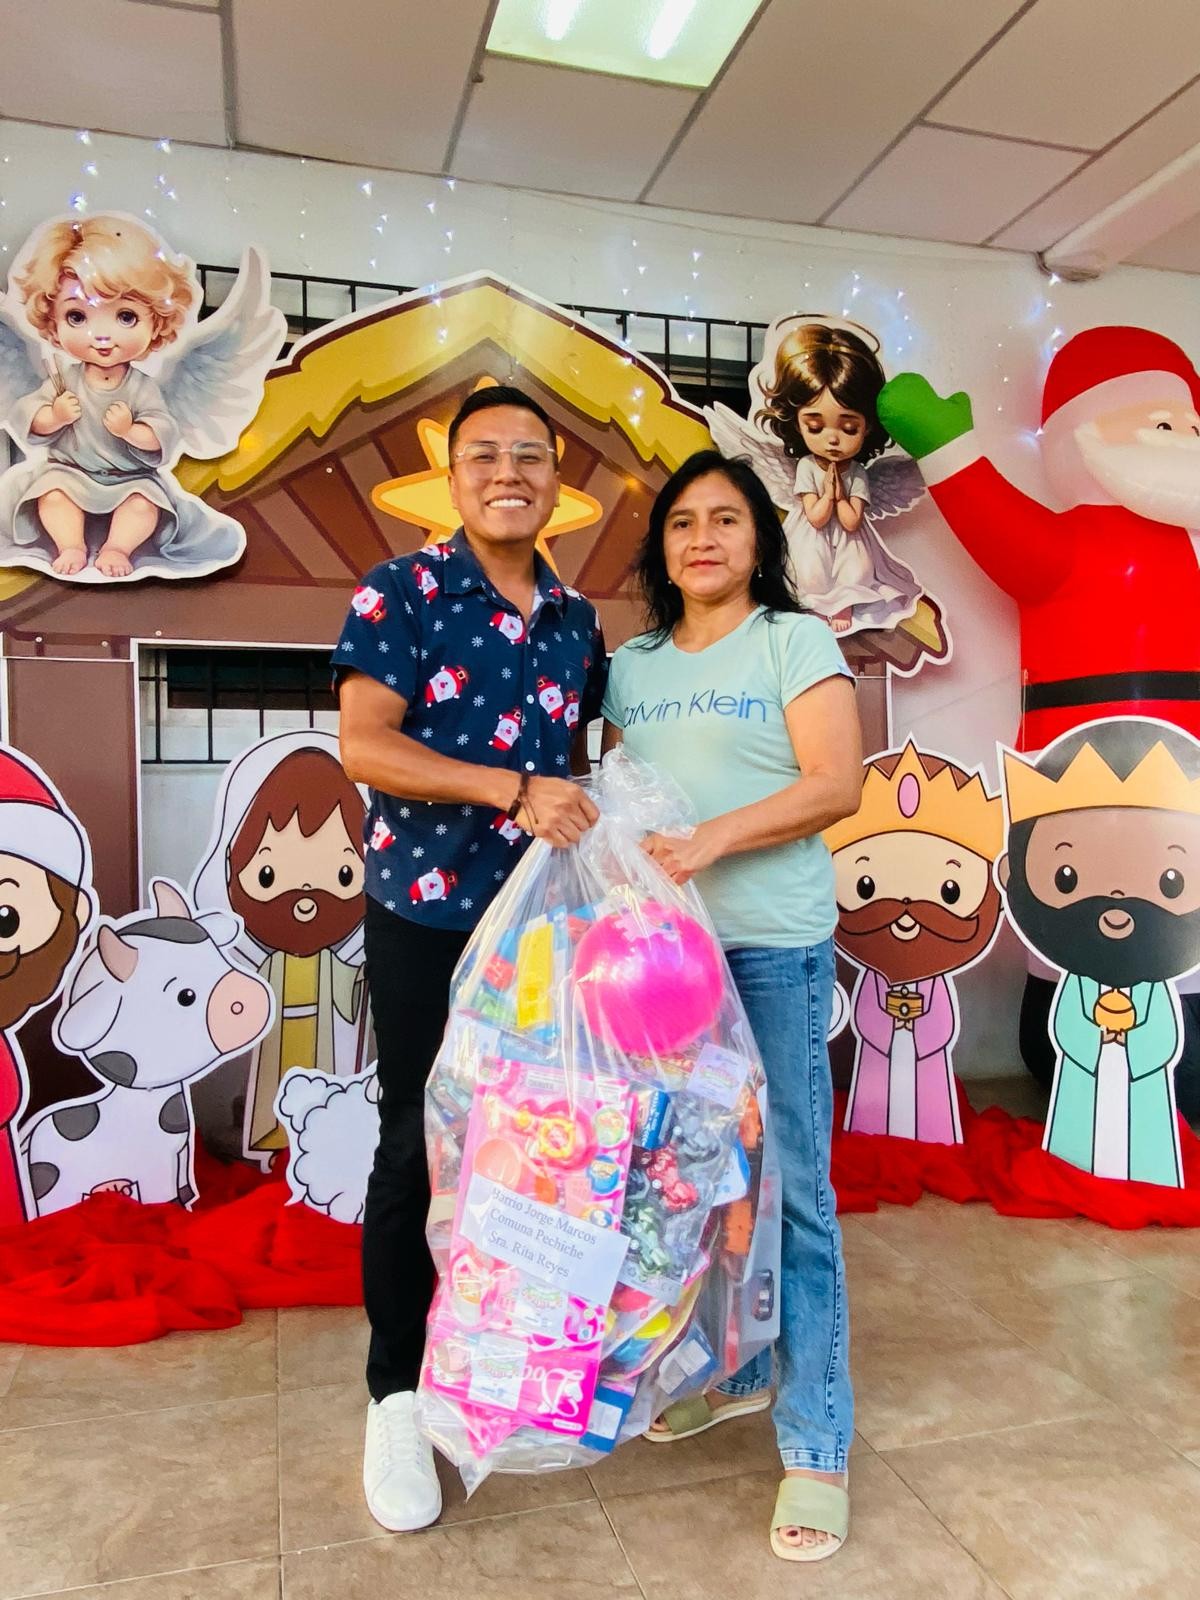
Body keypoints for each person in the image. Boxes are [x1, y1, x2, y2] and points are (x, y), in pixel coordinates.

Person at [333, 384, 607, 1533]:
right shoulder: (400, 591)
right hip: (429, 917)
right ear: (453, 477)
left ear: (556, 483)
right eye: (485, 454)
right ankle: (395, 1393)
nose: (509, 473)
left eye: (530, 456)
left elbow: (585, 762)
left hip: (544, 931)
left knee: (535, 1145)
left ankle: (496, 1360)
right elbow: (365, 745)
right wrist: (510, 788)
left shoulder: (577, 618)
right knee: (416, 1143)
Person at [601, 449, 863, 1562]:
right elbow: (618, 798)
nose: (702, 537)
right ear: (660, 550)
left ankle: (818, 1441)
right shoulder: (631, 667)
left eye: (725, 519)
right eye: (681, 523)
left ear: (760, 541)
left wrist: (711, 838)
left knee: (793, 1193)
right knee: (699, 1188)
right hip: (668, 969)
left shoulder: (793, 641)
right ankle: (738, 1370)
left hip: (771, 951)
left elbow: (835, 783)